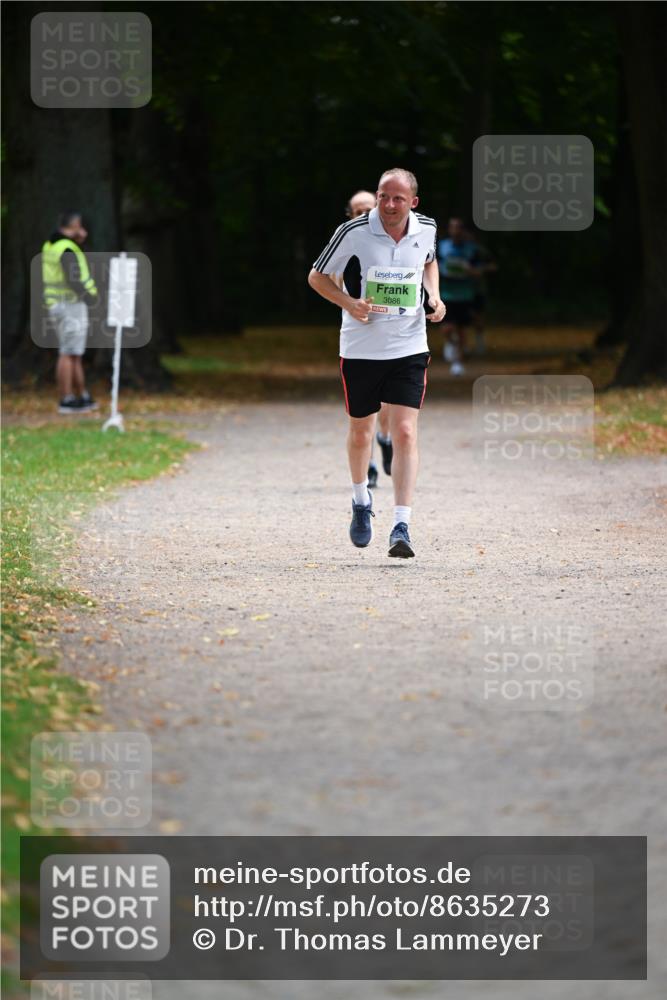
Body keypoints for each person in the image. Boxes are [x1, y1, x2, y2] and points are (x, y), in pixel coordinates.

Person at [308, 168, 446, 558]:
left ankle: (401, 525)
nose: (388, 205)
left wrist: (434, 297)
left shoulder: (427, 228)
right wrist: (350, 304)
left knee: (404, 432)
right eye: (383, 196)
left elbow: (429, 262)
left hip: (409, 345)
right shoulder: (353, 231)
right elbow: (317, 277)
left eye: (398, 199)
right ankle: (360, 501)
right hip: (361, 348)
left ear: (413, 202)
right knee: (361, 434)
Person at [345, 190, 393, 488]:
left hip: (393, 333)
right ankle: (370, 465)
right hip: (358, 334)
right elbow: (329, 280)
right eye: (357, 210)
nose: (363, 214)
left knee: (388, 403)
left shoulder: (392, 238)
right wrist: (350, 306)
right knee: (362, 413)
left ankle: (386, 439)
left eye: (368, 208)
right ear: (350, 214)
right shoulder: (344, 241)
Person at [42, 211, 99, 413]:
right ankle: (66, 398)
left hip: (58, 304)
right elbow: (73, 279)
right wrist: (89, 298)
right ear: (74, 225)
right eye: (80, 227)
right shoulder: (67, 249)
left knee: (74, 352)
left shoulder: (52, 245)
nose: (83, 231)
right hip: (70, 305)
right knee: (68, 353)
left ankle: (81, 396)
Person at [437, 217, 479, 376]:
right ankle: (450, 343)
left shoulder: (471, 249)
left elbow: (480, 269)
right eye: (452, 227)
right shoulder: (442, 246)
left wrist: (470, 271)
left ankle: (458, 362)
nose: (456, 230)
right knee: (447, 328)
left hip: (464, 294)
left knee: (461, 330)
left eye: (459, 227)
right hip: (446, 293)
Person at [464, 225, 497, 356]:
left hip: (477, 289)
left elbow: (494, 266)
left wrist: (481, 270)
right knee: (463, 319)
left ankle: (479, 341)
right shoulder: (459, 250)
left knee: (478, 317)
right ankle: (463, 346)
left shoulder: (480, 251)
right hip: (461, 290)